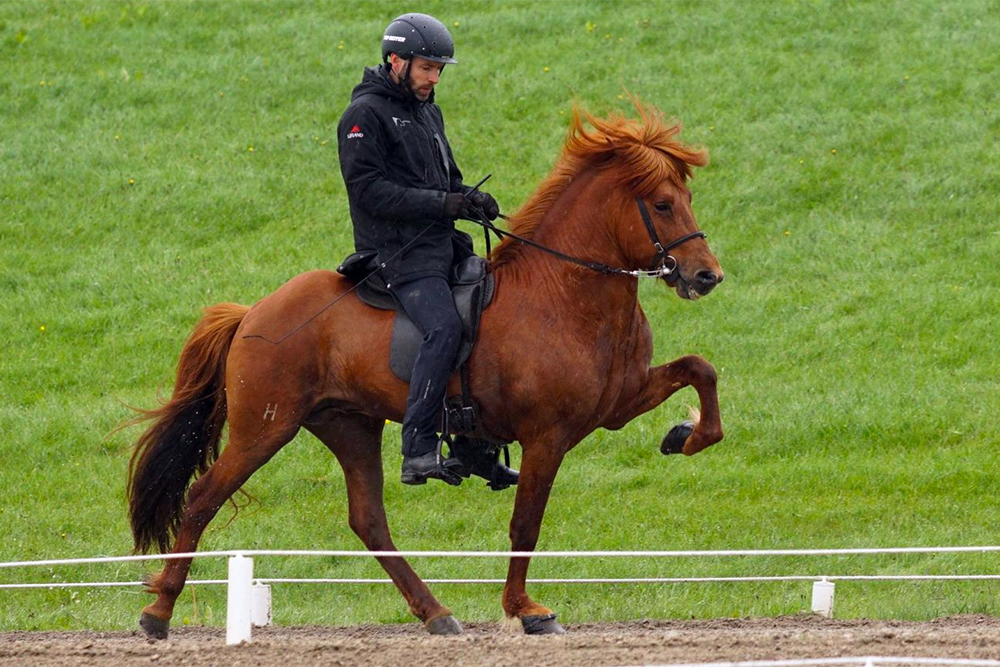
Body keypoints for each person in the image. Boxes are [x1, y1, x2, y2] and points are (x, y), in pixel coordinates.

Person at [337, 13, 517, 488]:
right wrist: (445, 203)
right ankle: (417, 447)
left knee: (492, 308)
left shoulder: (428, 111)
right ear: (396, 61)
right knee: (442, 327)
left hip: (440, 247)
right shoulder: (364, 117)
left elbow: (445, 181)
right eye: (426, 68)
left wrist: (469, 199)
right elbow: (369, 191)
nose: (434, 78)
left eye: (439, 70)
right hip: (395, 254)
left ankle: (476, 447)